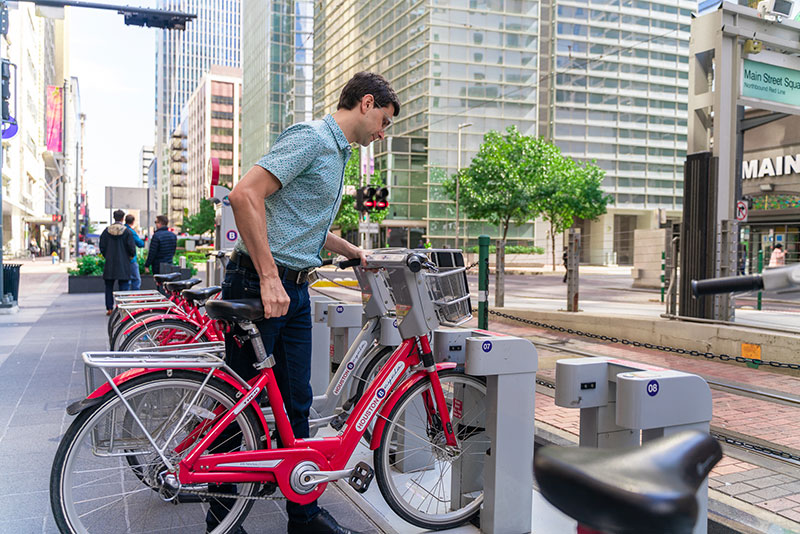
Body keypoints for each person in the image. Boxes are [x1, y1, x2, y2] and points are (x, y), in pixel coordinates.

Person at [215, 71, 399, 534]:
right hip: (262, 286)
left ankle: (305, 516)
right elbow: (244, 194)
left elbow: (299, 221)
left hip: (296, 290)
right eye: (384, 121)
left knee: (295, 405)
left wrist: (352, 251)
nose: (382, 132)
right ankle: (219, 519)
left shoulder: (338, 155)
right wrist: (269, 276)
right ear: (366, 102)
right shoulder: (313, 138)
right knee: (240, 405)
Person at [99, 209, 136, 315]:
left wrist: (107, 256)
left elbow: (102, 247)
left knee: (109, 286)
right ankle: (122, 307)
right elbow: (131, 248)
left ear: (114, 217)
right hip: (123, 263)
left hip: (110, 263)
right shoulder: (127, 231)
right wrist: (129, 256)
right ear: (123, 218)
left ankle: (109, 308)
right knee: (123, 286)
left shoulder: (106, 231)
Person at [124, 214, 145, 290]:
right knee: (136, 279)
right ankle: (135, 297)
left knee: (125, 281)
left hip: (122, 259)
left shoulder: (121, 230)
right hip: (131, 259)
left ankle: (125, 298)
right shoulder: (131, 232)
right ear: (133, 222)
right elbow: (140, 244)